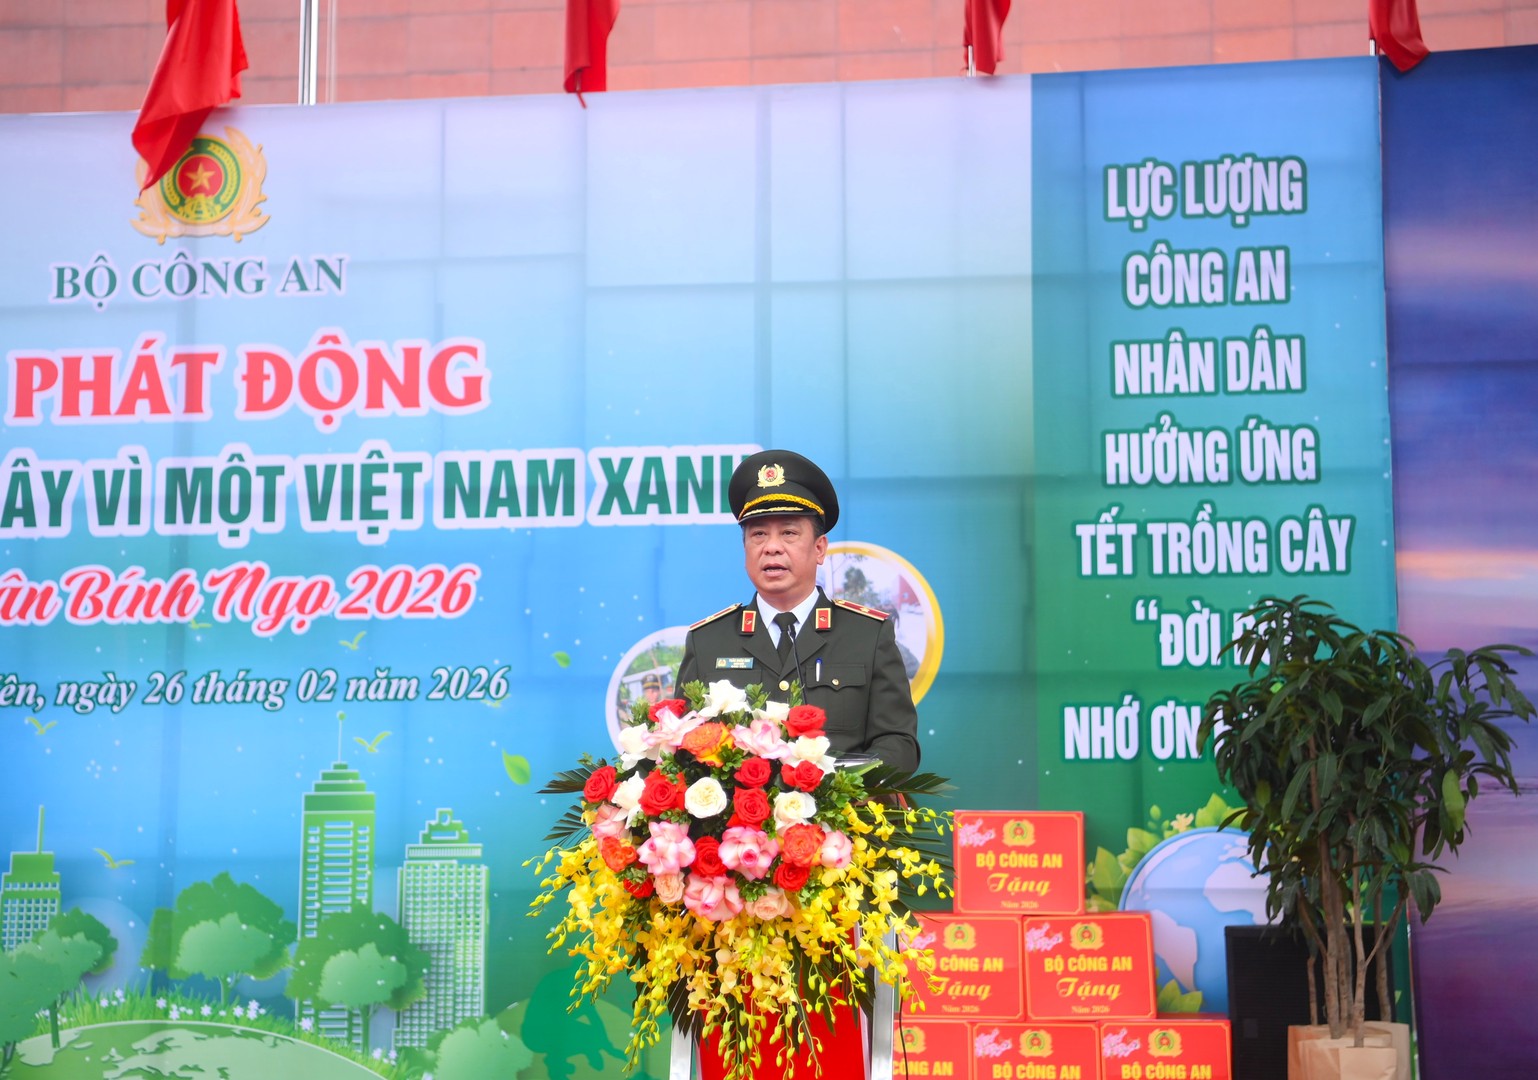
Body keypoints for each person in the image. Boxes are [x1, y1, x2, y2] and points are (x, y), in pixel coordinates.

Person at [676, 450, 920, 772]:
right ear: (745, 548)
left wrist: (831, 783)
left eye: (789, 533)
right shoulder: (708, 642)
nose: (771, 547)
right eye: (758, 534)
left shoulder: (867, 635)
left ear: (819, 548)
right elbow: (682, 748)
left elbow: (898, 744)